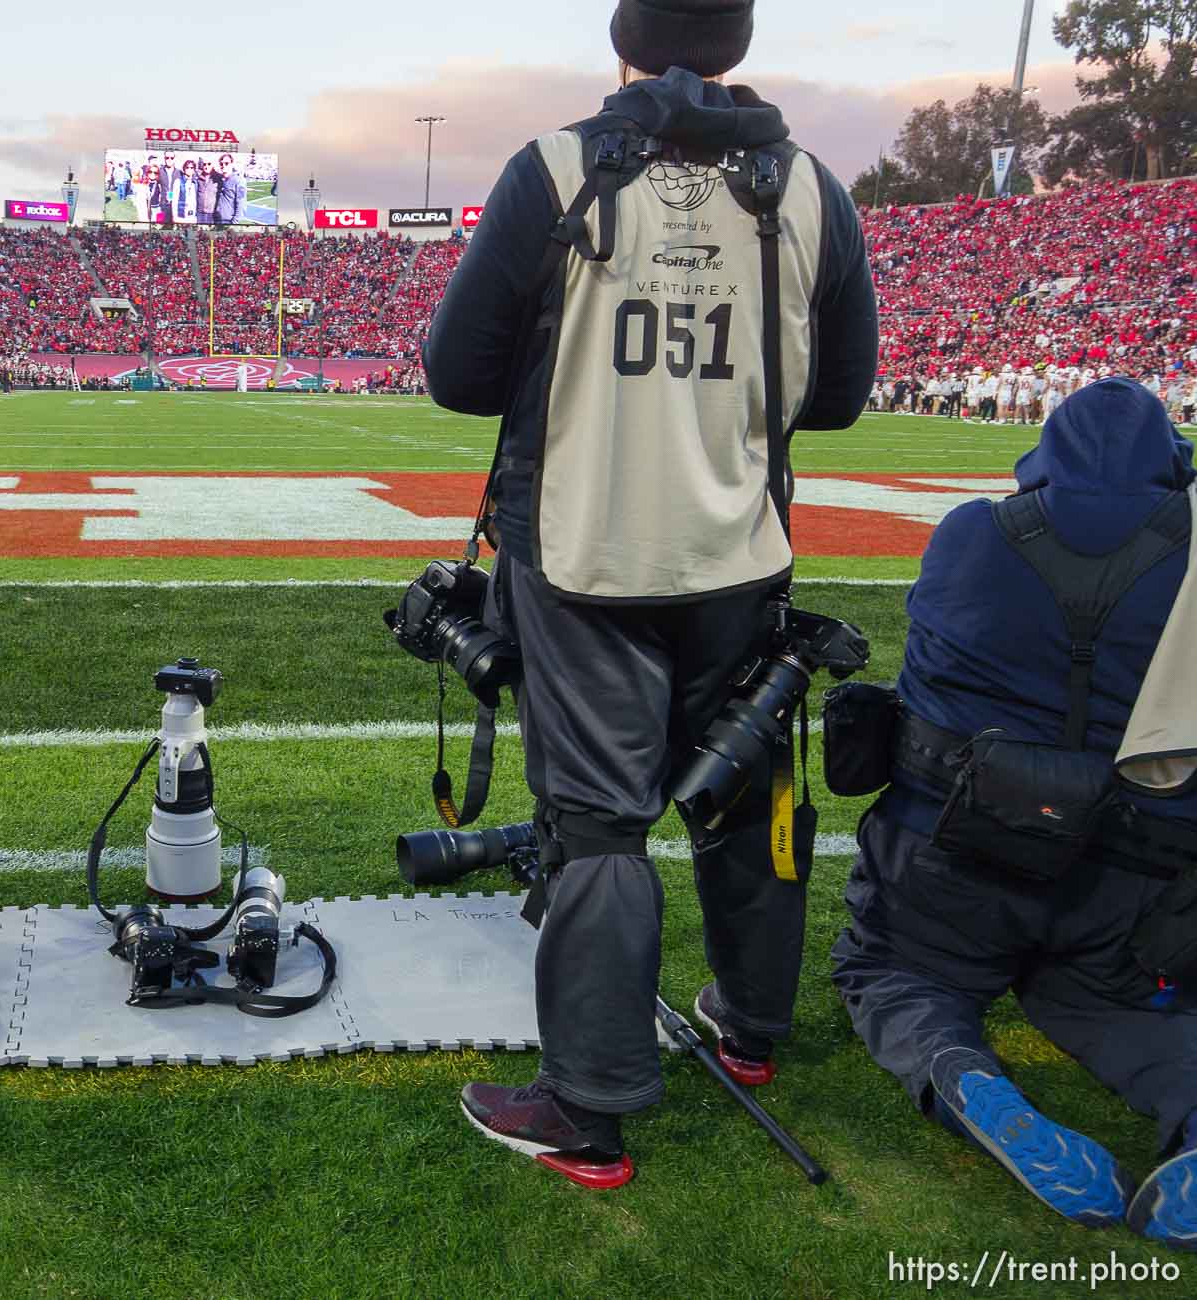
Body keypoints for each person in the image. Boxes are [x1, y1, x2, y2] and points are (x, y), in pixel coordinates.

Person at [423, 0, 878, 1183]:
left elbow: (456, 373)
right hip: (739, 547)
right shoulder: (815, 187)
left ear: (622, 45)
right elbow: (834, 400)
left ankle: (590, 1101)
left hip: (585, 553)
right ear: (737, 49)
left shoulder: (557, 168)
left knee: (598, 824)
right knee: (744, 792)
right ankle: (752, 1025)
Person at [831, 379, 1196, 1250]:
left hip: (959, 848)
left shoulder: (970, 535)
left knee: (893, 973)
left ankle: (959, 1071)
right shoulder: (1188, 558)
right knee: (1118, 1005)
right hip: (1125, 875)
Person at [213, 154, 246, 225]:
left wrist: (235, 222)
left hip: (228, 220)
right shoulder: (221, 179)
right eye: (221, 164)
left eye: (226, 163)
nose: (223, 165)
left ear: (232, 164)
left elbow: (241, 203)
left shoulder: (239, 180)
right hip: (217, 217)